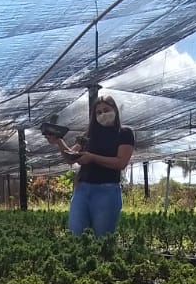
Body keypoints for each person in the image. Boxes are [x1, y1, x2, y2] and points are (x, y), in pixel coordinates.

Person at [45, 94, 135, 236]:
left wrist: (92, 158)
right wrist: (58, 141)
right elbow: (70, 157)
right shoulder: (89, 134)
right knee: (76, 235)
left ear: (115, 110)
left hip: (107, 191)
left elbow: (121, 162)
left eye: (106, 110)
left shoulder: (124, 133)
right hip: (82, 190)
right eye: (98, 112)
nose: (103, 114)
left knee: (102, 239)